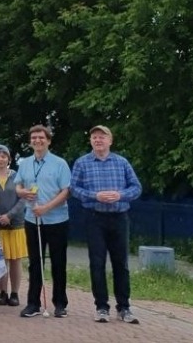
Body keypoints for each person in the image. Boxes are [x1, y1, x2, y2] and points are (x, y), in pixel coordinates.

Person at [71, 125, 143, 325]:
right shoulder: (82, 163)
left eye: (102, 137)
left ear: (110, 141)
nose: (98, 140)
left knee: (121, 264)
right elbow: (74, 189)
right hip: (95, 217)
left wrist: (121, 195)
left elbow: (136, 188)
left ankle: (124, 307)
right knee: (97, 263)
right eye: (94, 137)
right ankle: (101, 307)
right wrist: (95, 195)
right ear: (91, 141)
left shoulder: (121, 162)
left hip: (119, 217)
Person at [16, 124, 71, 318]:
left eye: (41, 137)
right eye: (34, 138)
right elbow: (18, 186)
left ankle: (60, 303)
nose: (37, 141)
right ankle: (33, 303)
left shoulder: (60, 163)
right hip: (32, 219)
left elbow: (66, 191)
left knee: (58, 262)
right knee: (35, 262)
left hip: (56, 219)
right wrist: (22, 192)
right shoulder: (24, 163)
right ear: (30, 142)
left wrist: (47, 207)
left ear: (48, 140)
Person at [0, 144, 26, 308]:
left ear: (9, 158)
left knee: (15, 260)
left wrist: (10, 215)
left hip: (16, 223)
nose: (0, 159)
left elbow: (23, 199)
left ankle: (15, 293)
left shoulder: (18, 176)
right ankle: (2, 292)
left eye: (3, 156)